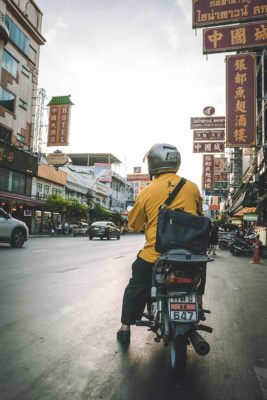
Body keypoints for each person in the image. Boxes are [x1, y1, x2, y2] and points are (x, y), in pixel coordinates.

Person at [117, 143, 204, 345]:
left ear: (153, 164)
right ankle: (197, 302)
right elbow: (200, 216)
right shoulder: (191, 187)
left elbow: (134, 224)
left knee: (136, 285)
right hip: (189, 255)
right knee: (197, 278)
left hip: (155, 256)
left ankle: (125, 327)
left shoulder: (146, 192)